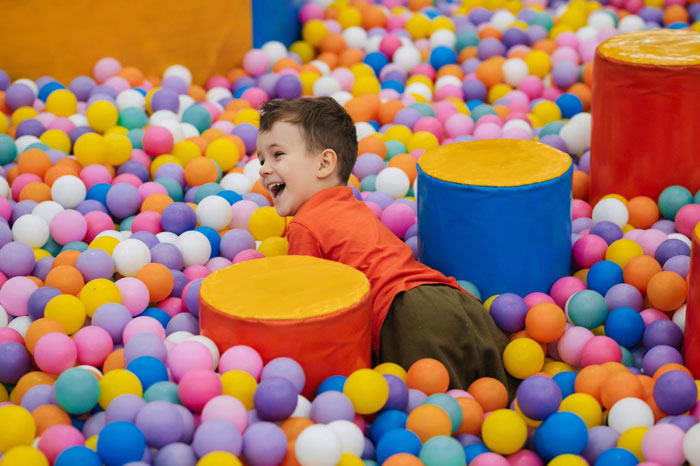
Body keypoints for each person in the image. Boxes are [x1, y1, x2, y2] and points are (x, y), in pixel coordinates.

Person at [256, 96, 516, 394]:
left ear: (325, 163)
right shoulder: (353, 206)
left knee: (442, 414)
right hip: (454, 299)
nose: (263, 169)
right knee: (507, 398)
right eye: (261, 159)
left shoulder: (304, 225)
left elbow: (307, 315)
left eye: (277, 155)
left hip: (406, 317)